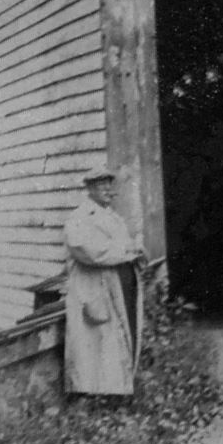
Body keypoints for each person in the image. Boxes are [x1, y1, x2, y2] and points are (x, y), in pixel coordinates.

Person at [63, 167, 145, 395]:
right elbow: (89, 251)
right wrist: (128, 252)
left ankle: (121, 392)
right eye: (101, 184)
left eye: (110, 183)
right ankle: (96, 396)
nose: (108, 189)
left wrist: (134, 249)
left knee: (120, 338)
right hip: (94, 289)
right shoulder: (79, 218)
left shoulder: (113, 217)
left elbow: (127, 245)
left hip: (119, 285)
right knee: (98, 344)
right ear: (89, 188)